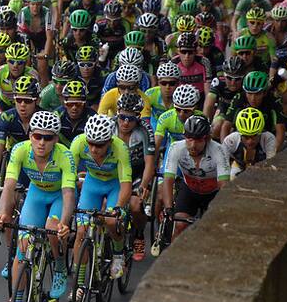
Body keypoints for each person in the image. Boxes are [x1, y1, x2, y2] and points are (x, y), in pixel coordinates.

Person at [0, 111, 76, 302]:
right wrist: (3, 214)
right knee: (21, 252)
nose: (42, 142)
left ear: (56, 139)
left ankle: (59, 266)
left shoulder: (64, 156)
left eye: (48, 137)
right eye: (37, 136)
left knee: (51, 229)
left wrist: (65, 223)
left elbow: (69, 193)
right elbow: (9, 186)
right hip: (36, 196)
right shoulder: (20, 150)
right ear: (30, 135)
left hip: (58, 197)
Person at [70, 113, 131, 283]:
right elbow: (68, 177)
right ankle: (80, 283)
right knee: (81, 231)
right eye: (91, 143)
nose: (94, 149)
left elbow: (126, 185)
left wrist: (118, 207)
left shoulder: (120, 149)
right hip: (92, 184)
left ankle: (118, 254)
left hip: (114, 186)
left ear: (110, 142)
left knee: (111, 221)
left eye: (99, 145)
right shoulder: (78, 143)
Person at [161, 115, 229, 237]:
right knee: (179, 225)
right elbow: (168, 180)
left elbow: (224, 185)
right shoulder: (176, 148)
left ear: (207, 139)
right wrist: (168, 208)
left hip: (213, 194)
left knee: (215, 231)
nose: (193, 145)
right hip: (189, 191)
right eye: (189, 139)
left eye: (198, 140)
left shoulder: (219, 150)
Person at [114, 93, 155, 262]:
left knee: (136, 205)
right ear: (117, 113)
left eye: (130, 119)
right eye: (122, 117)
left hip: (137, 173)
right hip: (115, 173)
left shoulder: (144, 130)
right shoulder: (109, 127)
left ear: (138, 117)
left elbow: (150, 163)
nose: (125, 123)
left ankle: (138, 234)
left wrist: (143, 186)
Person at [222, 108, 276, 179]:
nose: (250, 141)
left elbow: (271, 165)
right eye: (246, 137)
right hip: (238, 166)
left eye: (254, 136)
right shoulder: (230, 140)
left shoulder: (268, 138)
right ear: (240, 134)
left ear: (260, 133)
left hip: (261, 168)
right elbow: (222, 167)